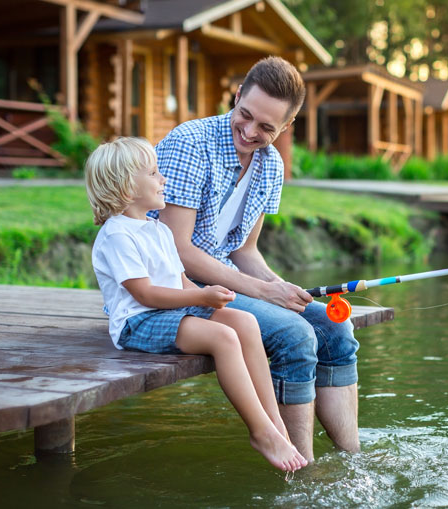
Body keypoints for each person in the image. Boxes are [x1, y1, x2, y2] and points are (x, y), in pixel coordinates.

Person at [153, 56, 360, 462]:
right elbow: (177, 251)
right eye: (244, 115)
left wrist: (281, 287)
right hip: (173, 286)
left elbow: (244, 251)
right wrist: (264, 291)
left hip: (221, 281)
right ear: (236, 96)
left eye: (266, 127)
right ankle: (303, 473)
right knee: (295, 336)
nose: (249, 132)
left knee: (335, 328)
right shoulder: (189, 143)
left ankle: (354, 458)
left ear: (285, 127)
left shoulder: (272, 167)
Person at [85, 136, 307, 473]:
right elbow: (145, 295)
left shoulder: (157, 229)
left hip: (170, 310)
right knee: (224, 338)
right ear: (127, 187)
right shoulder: (118, 235)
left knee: (245, 322)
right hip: (139, 322)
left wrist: (212, 297)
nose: (163, 179)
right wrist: (200, 298)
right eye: (154, 173)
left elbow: (179, 281)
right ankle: (260, 432)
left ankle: (276, 424)